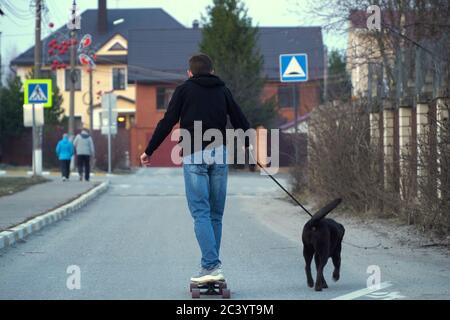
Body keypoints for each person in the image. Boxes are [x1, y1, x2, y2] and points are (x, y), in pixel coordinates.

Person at [140, 54, 250, 283]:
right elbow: (240, 119)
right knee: (215, 215)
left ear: (189, 72)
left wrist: (149, 150)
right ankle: (211, 266)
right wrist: (248, 145)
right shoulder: (223, 90)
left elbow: (168, 121)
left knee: (201, 212)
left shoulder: (184, 90)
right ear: (211, 71)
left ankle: (210, 266)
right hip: (219, 154)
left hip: (194, 154)